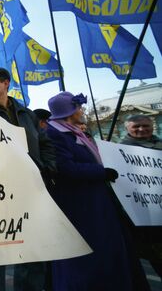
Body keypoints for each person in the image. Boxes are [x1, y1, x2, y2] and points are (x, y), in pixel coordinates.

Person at [45, 92, 149, 291]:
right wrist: (101, 171)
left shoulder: (75, 131)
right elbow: (64, 168)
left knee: (107, 250)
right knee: (88, 255)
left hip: (96, 202)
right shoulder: (54, 133)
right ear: (70, 110)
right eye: (79, 107)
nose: (82, 110)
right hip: (80, 206)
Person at [0, 68, 56, 291]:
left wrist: (48, 168)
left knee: (33, 247)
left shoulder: (27, 114)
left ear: (6, 84)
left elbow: (45, 143)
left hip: (32, 189)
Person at [120, 114, 162, 279]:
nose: (141, 129)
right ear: (127, 129)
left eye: (145, 125)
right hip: (147, 219)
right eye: (136, 127)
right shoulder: (118, 151)